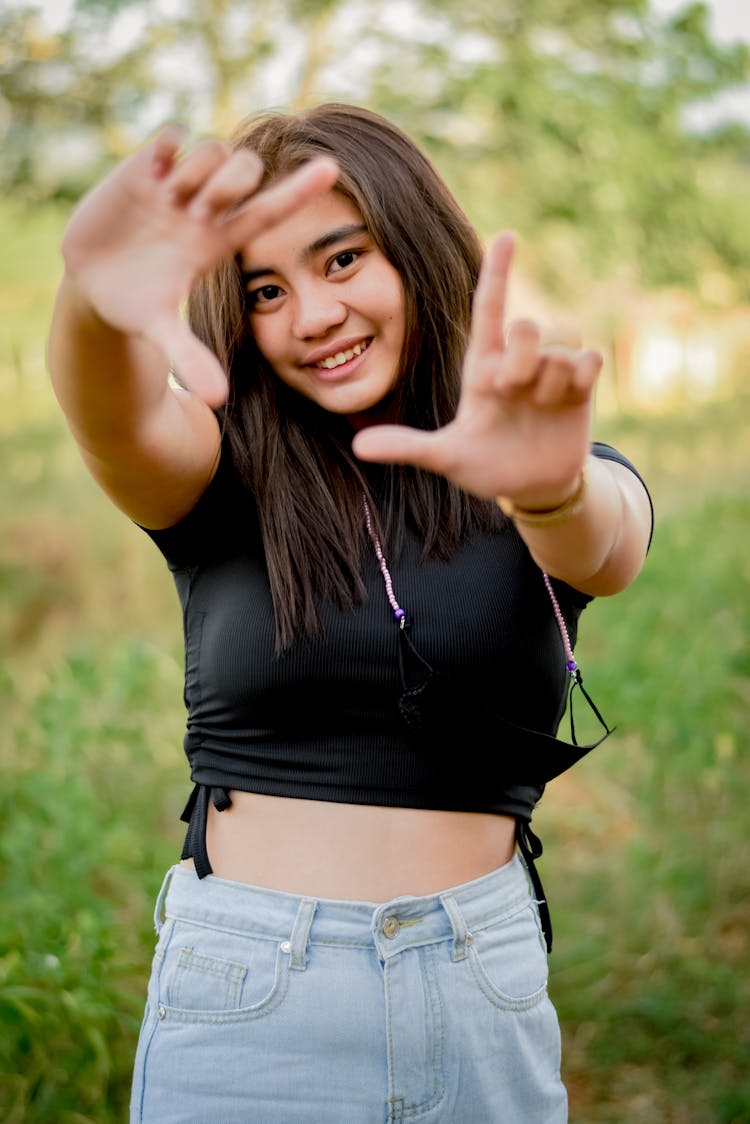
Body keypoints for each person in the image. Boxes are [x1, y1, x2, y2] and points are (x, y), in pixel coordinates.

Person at [48, 103, 653, 1123]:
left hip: (481, 978)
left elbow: (607, 542)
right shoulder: (216, 469)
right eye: (266, 291)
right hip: (254, 991)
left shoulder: (543, 465)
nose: (311, 315)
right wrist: (89, 305)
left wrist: (548, 488)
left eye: (343, 260)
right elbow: (113, 420)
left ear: (415, 249)